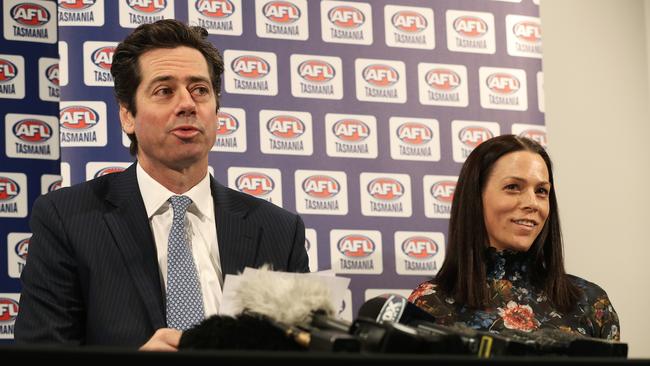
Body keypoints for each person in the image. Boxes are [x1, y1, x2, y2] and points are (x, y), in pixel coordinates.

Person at [14, 19, 309, 351]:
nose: (187, 104)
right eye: (164, 91)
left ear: (216, 110)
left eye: (200, 90)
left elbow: (302, 350)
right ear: (127, 115)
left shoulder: (278, 230)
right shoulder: (67, 219)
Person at [409, 135, 620, 340]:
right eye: (513, 187)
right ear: (475, 197)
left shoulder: (591, 303)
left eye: (541, 191)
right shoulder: (430, 305)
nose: (532, 203)